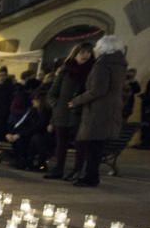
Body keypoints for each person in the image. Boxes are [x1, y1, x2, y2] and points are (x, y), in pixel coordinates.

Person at [68, 35, 128, 187]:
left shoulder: (103, 64)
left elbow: (97, 90)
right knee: (97, 146)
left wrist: (76, 101)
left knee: (92, 145)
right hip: (110, 109)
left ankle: (90, 177)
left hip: (98, 110)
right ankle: (91, 175)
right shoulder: (119, 64)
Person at [44, 41, 95, 180]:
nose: (85, 55)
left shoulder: (93, 72)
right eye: (82, 52)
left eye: (88, 52)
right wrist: (56, 105)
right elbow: (52, 93)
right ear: (75, 54)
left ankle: (77, 170)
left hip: (80, 113)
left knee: (80, 143)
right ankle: (58, 169)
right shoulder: (65, 71)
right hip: (62, 113)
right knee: (61, 143)